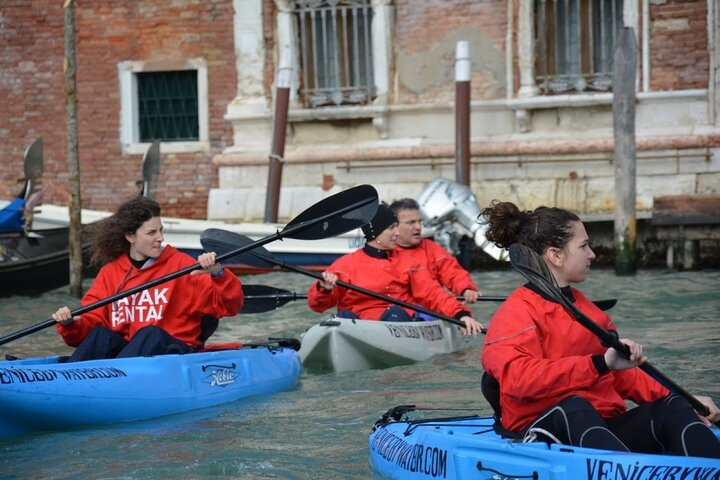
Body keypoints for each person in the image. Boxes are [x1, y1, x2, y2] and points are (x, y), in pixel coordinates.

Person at [479, 200, 720, 458]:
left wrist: (688, 401)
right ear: (555, 255)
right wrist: (597, 364)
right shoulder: (515, 313)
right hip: (539, 432)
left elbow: (623, 375)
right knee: (575, 409)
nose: (592, 254)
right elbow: (518, 381)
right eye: (583, 246)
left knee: (673, 407)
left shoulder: (591, 313)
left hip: (598, 428)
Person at [52, 196, 243, 362]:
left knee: (150, 333)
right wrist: (71, 324)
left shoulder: (183, 266)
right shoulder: (110, 273)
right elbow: (87, 326)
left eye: (160, 230)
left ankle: (113, 382)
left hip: (174, 354)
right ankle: (66, 380)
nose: (160, 238)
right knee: (101, 336)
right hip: (132, 356)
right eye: (151, 232)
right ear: (130, 236)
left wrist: (218, 273)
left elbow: (229, 306)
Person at [307, 204, 484, 335]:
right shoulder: (344, 266)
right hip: (358, 327)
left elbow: (432, 294)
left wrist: (460, 315)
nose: (397, 233)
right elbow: (317, 306)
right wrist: (323, 288)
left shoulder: (409, 263)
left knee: (395, 314)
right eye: (392, 228)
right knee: (343, 317)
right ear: (376, 234)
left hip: (398, 323)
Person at [389, 198, 482, 304]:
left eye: (420, 222)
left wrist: (466, 289)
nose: (418, 227)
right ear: (394, 225)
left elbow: (453, 272)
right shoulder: (383, 251)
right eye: (411, 222)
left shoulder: (431, 249)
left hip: (432, 310)